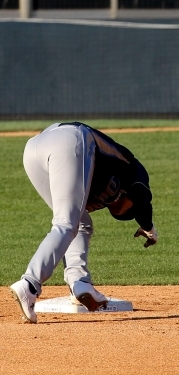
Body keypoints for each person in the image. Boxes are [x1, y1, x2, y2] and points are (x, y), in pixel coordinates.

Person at [10, 122, 158, 324]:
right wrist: (148, 227)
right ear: (126, 195)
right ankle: (30, 284)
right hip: (72, 139)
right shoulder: (131, 168)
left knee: (80, 223)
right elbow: (143, 197)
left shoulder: (105, 193)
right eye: (128, 210)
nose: (121, 211)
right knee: (66, 224)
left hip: (36, 149)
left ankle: (80, 284)